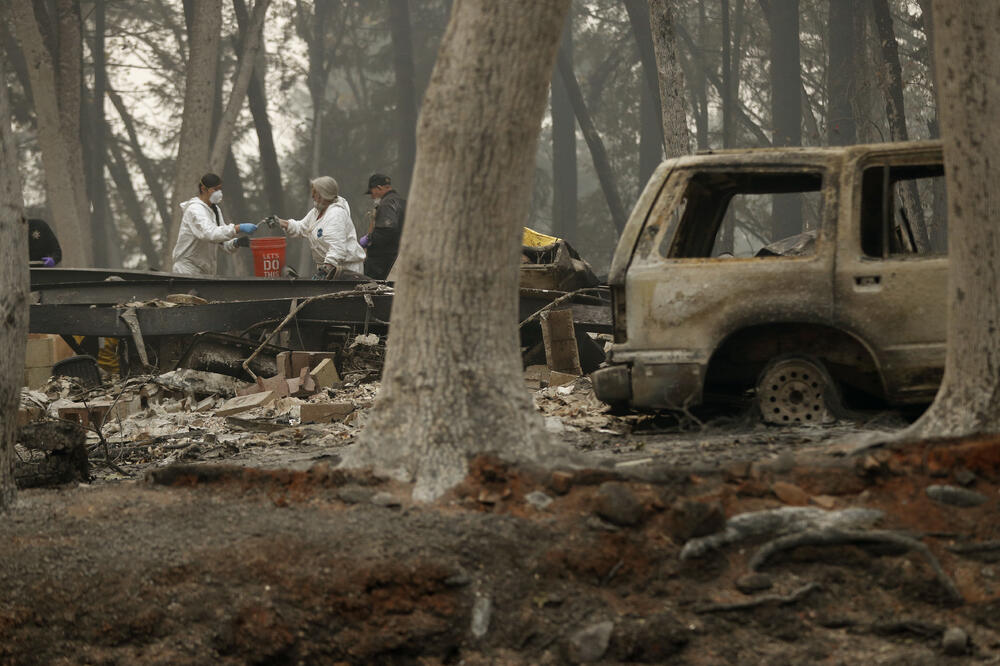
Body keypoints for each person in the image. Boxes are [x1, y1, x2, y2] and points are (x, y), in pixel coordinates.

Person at [277, 176, 365, 278]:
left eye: (315, 192)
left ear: (323, 194)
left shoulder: (336, 215)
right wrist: (280, 222)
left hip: (346, 271)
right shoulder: (317, 212)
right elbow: (302, 227)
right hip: (331, 269)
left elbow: (337, 249)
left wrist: (325, 270)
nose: (312, 195)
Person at [171, 173, 257, 275]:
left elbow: (221, 240)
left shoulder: (215, 210)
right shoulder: (194, 210)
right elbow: (209, 233)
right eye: (215, 189)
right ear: (203, 189)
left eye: (220, 189)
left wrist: (236, 243)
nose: (219, 193)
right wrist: (237, 228)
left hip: (205, 270)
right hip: (187, 269)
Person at [360, 173, 405, 280]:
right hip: (398, 258)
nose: (372, 197)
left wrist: (369, 239)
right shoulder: (402, 202)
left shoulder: (387, 204)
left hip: (382, 264)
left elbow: (387, 229)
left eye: (372, 192)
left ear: (379, 188)